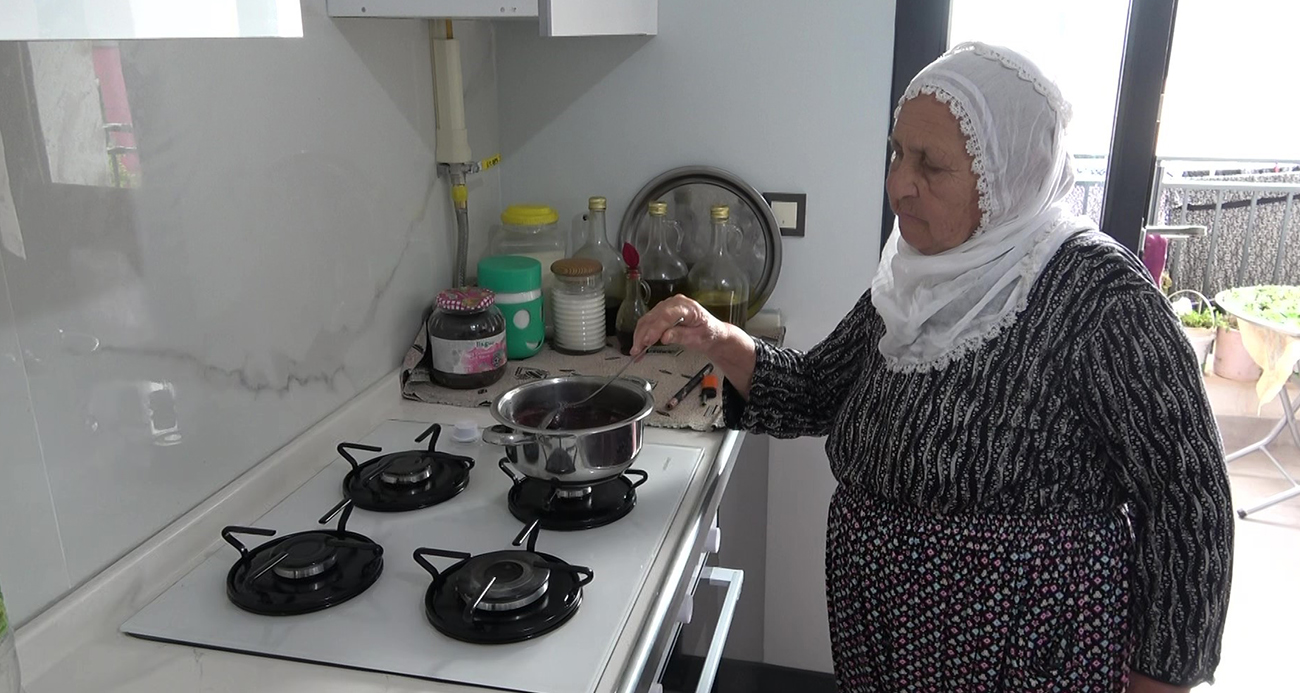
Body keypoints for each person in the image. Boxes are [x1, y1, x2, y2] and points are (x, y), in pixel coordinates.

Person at [632, 42, 1233, 693]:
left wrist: (1160, 679)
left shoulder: (1097, 293)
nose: (897, 183)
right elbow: (816, 390)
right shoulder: (915, 277)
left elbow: (1189, 498)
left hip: (1026, 655)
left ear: (1006, 176)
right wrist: (717, 337)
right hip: (887, 636)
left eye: (931, 164)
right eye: (896, 152)